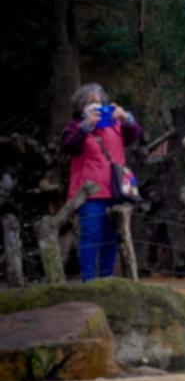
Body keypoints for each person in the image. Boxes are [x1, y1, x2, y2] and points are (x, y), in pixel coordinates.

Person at [60, 83, 142, 282]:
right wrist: (85, 127)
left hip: (116, 190)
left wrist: (127, 118)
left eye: (98, 101)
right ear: (80, 107)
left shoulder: (115, 124)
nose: (95, 105)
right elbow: (68, 146)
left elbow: (134, 135)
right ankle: (89, 280)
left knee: (111, 237)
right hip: (90, 193)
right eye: (89, 102)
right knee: (90, 236)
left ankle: (107, 279)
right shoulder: (75, 126)